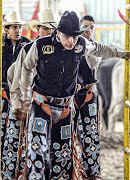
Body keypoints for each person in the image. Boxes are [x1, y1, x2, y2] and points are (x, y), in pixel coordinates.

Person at [13, 11, 130, 179]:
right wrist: (24, 98)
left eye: (75, 36)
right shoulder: (40, 46)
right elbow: (26, 68)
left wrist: (123, 54)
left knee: (63, 156)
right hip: (41, 106)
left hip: (65, 109)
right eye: (67, 36)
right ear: (58, 32)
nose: (71, 41)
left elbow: (99, 49)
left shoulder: (81, 44)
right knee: (37, 153)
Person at [5, 9, 57, 179]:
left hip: (47, 106)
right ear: (38, 29)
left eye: (51, 29)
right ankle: (19, 173)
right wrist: (18, 103)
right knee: (21, 140)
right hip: (29, 103)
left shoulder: (59, 50)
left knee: (45, 144)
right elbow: (14, 75)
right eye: (45, 28)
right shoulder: (27, 49)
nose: (48, 32)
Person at [1, 11, 31, 179]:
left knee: (16, 131)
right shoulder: (1, 45)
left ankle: (16, 167)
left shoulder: (27, 45)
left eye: (19, 27)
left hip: (17, 94)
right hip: (3, 91)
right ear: (7, 29)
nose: (17, 30)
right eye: (14, 27)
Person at [73, 15, 101, 179]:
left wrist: (85, 45)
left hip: (89, 94)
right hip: (71, 95)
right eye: (85, 27)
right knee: (70, 133)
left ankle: (93, 171)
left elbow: (93, 63)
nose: (88, 30)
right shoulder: (70, 44)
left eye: (91, 27)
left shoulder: (94, 48)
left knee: (91, 134)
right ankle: (74, 169)